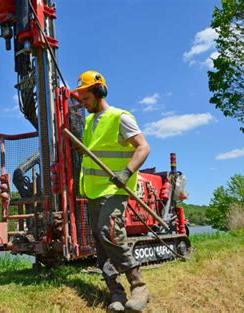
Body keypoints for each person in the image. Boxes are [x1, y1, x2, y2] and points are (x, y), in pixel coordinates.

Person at [74, 70, 151, 312]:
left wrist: (126, 173)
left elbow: (144, 147)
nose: (83, 104)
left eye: (86, 98)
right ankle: (115, 292)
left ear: (99, 92)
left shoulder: (120, 117)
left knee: (111, 233)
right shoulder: (88, 122)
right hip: (93, 190)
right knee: (100, 241)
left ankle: (139, 286)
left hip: (115, 188)